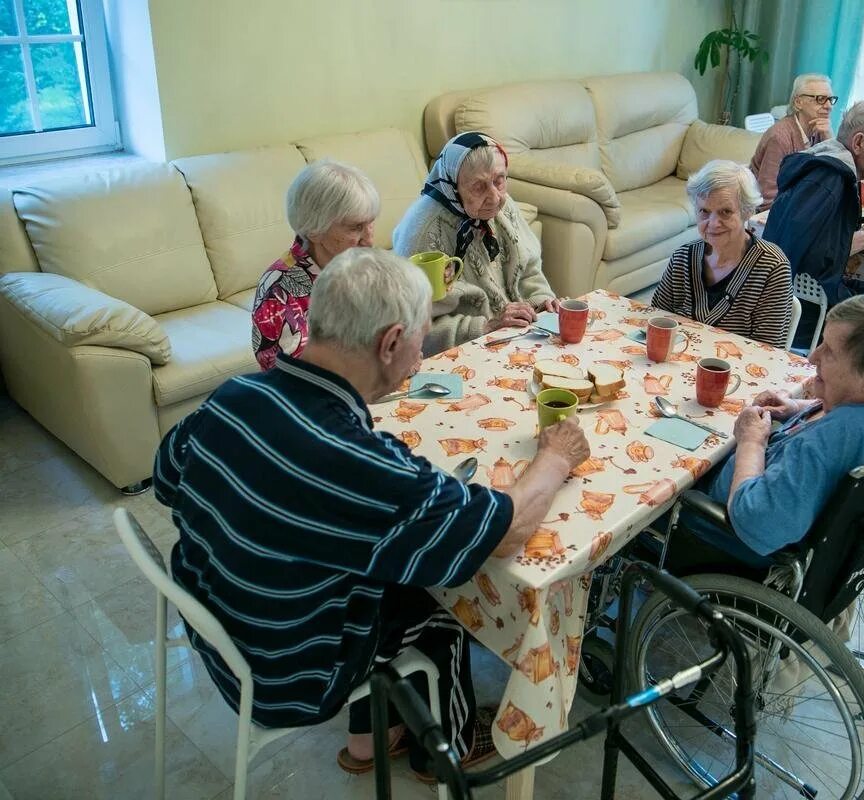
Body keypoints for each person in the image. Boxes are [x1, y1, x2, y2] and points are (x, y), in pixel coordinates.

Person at [154, 248, 591, 781]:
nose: (419, 355)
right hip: (285, 674)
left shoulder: (235, 393)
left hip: (219, 618)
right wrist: (555, 457)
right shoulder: (358, 463)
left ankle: (370, 739)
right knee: (445, 600)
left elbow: (167, 477)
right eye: (420, 337)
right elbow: (506, 530)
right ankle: (446, 750)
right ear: (390, 343)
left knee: (378, 556)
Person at [666, 293, 864, 572]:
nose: (813, 356)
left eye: (829, 351)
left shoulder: (824, 443)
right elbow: (853, 411)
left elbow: (754, 520)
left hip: (712, 531)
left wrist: (752, 441)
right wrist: (800, 407)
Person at [762, 95, 864, 348]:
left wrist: (863, 233)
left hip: (820, 295)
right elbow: (794, 254)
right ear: (859, 142)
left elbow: (820, 232)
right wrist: (861, 240)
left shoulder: (832, 169)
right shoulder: (827, 178)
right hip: (805, 312)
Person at [394, 131, 560, 354]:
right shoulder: (421, 232)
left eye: (499, 181)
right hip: (464, 350)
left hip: (516, 334)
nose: (495, 197)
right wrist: (486, 327)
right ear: (453, 185)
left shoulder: (503, 205)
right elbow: (413, 328)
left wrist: (541, 301)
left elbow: (528, 269)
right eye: (479, 187)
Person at [251, 159, 379, 370]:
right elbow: (302, 379)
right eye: (355, 228)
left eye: (370, 222)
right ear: (314, 230)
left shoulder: (355, 263)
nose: (369, 240)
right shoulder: (279, 292)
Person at [651, 160, 792, 348]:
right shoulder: (683, 258)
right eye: (704, 211)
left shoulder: (772, 268)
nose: (713, 223)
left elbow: (768, 352)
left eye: (725, 212)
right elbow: (654, 322)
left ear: (747, 211)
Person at [749, 73, 837, 209]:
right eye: (820, 99)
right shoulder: (779, 137)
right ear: (798, 102)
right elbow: (767, 198)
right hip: (766, 211)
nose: (829, 106)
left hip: (797, 204)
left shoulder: (820, 130)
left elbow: (835, 178)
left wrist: (829, 138)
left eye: (831, 99)